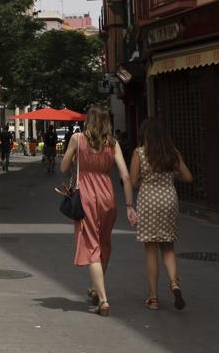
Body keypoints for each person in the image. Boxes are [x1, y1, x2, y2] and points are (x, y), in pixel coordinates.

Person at [61, 105, 137, 317]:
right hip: (107, 197)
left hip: (86, 197)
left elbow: (64, 167)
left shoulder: (78, 139)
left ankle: (103, 299)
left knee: (92, 247)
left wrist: (74, 155)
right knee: (104, 243)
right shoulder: (113, 144)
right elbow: (125, 176)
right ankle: (96, 287)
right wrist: (130, 206)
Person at [129, 118, 193, 311]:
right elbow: (188, 177)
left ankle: (153, 297)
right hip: (169, 199)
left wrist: (146, 181)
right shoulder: (172, 153)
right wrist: (172, 177)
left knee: (150, 249)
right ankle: (174, 282)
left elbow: (132, 182)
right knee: (168, 247)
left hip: (148, 200)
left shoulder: (139, 153)